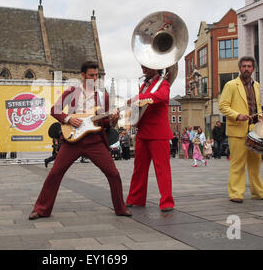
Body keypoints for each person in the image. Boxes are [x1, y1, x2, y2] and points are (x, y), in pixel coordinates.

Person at [28, 61, 131, 220]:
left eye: (96, 75)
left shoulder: (103, 97)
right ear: (82, 76)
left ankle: (120, 208)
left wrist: (114, 120)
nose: (95, 78)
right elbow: (54, 110)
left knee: (113, 173)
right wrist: (69, 119)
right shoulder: (72, 92)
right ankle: (41, 209)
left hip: (95, 141)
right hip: (73, 141)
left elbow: (105, 123)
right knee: (55, 173)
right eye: (91, 75)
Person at [219, 56, 263, 203]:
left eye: (249, 66)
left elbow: (258, 105)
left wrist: (261, 118)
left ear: (253, 69)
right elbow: (223, 106)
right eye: (244, 66)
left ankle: (259, 192)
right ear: (239, 68)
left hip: (254, 129)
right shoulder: (231, 85)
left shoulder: (256, 85)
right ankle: (236, 193)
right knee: (237, 163)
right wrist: (237, 116)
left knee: (255, 163)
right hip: (237, 130)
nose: (246, 68)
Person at [125, 65, 174, 213]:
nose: (142, 68)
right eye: (142, 66)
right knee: (139, 169)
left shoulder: (163, 83)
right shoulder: (144, 85)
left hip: (158, 133)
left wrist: (137, 98)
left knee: (162, 170)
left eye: (146, 66)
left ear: (155, 67)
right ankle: (135, 198)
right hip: (143, 132)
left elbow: (162, 96)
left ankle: (167, 202)